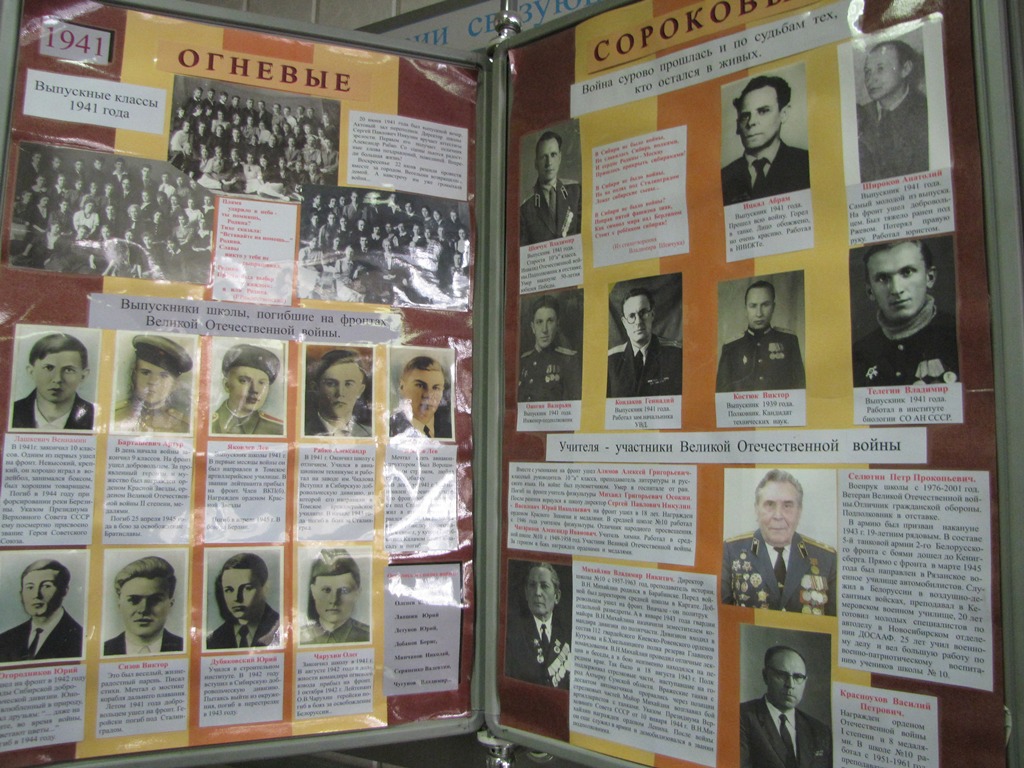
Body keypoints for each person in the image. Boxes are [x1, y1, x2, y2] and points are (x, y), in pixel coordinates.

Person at [722, 470, 836, 615]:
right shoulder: (731, 552)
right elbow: (724, 616)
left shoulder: (827, 559)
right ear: (756, 509)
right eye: (769, 504)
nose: (778, 516)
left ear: (799, 511)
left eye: (787, 506)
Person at [851, 239, 958, 386]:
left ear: (929, 277)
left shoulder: (959, 337)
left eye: (907, 272)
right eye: (882, 278)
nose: (896, 289)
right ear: (870, 291)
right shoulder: (860, 353)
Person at [721, 75, 810, 205]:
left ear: (783, 114)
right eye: (745, 116)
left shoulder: (806, 164)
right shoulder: (724, 177)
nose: (751, 122)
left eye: (763, 111)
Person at [740, 645, 832, 768]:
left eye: (798, 677)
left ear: (805, 681)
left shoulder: (820, 730)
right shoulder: (742, 717)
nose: (790, 684)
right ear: (765, 676)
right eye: (782, 675)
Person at [857, 39, 928, 183]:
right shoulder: (860, 115)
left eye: (880, 69)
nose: (871, 79)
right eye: (868, 72)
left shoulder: (926, 114)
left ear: (905, 69)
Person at [716, 280, 805, 392]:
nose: (759, 313)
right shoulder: (731, 347)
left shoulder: (789, 341)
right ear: (745, 309)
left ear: (773, 307)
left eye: (765, 305)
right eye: (753, 306)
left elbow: (800, 389)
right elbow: (722, 394)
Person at [0, 559, 83, 662]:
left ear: (64, 591)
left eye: (46, 586)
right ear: (21, 593)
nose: (36, 595)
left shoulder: (79, 638)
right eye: (30, 587)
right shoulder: (5, 639)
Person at [606, 287, 682, 397]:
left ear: (652, 315)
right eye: (631, 316)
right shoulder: (611, 361)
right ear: (624, 323)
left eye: (643, 313)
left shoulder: (675, 355)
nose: (638, 322)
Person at [505, 562, 571, 689]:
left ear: (557, 596)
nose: (537, 592)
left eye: (544, 586)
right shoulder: (512, 633)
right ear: (526, 593)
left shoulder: (567, 633)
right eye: (532, 585)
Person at [11, 332, 94, 430]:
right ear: (31, 371)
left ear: (83, 376)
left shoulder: (95, 416)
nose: (57, 379)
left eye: (68, 370)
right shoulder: (10, 412)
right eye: (48, 368)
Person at [103, 556, 183, 655]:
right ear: (119, 604)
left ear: (170, 604)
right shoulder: (104, 650)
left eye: (155, 600)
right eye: (134, 600)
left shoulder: (184, 646)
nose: (143, 609)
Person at [113, 335, 192, 433]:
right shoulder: (114, 417)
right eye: (146, 373)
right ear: (134, 376)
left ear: (174, 384)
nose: (153, 382)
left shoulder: (182, 426)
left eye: (163, 376)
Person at [519, 130, 582, 245]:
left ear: (560, 158)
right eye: (544, 157)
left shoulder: (575, 192)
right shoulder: (526, 207)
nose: (549, 163)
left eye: (553, 155)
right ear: (536, 163)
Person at [206, 553, 281, 650]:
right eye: (229, 590)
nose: (237, 598)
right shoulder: (213, 639)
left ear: (265, 589)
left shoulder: (280, 626)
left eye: (247, 588)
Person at [518, 294, 582, 402]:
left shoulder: (569, 360)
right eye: (539, 322)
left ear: (557, 325)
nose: (544, 329)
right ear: (533, 327)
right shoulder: (523, 361)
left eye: (550, 321)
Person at [210, 344, 284, 435]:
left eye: (261, 383)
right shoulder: (208, 426)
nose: (255, 390)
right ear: (227, 385)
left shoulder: (278, 429)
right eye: (244, 381)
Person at [300, 549, 369, 644]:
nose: (334, 600)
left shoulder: (369, 636)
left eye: (344, 590)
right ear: (313, 591)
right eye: (326, 590)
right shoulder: (298, 638)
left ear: (357, 593)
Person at [305, 349, 372, 437]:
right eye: (331, 384)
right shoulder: (304, 432)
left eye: (348, 384)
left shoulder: (370, 434)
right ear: (316, 388)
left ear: (360, 390)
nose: (340, 393)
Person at [389, 355, 452, 438]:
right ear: (402, 387)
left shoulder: (450, 430)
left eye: (436, 388)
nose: (428, 395)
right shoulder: (389, 428)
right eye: (420, 385)